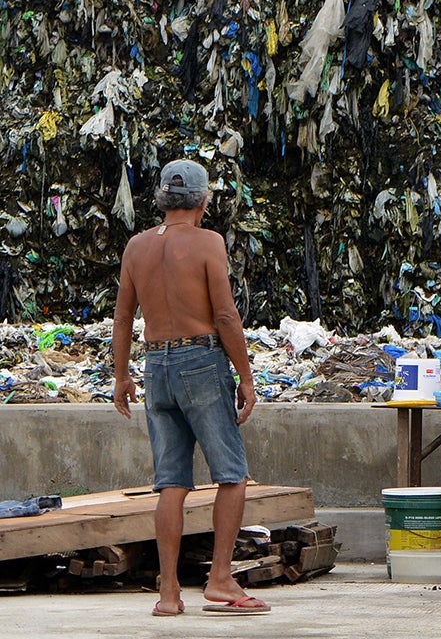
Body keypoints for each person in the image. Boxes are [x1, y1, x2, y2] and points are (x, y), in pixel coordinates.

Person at [111, 160, 268, 617]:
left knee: (171, 482)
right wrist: (246, 375)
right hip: (200, 359)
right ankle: (219, 580)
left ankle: (168, 593)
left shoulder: (137, 246)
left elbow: (123, 317)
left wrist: (122, 376)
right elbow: (224, 315)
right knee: (232, 474)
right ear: (203, 202)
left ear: (161, 200)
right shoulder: (208, 242)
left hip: (155, 363)